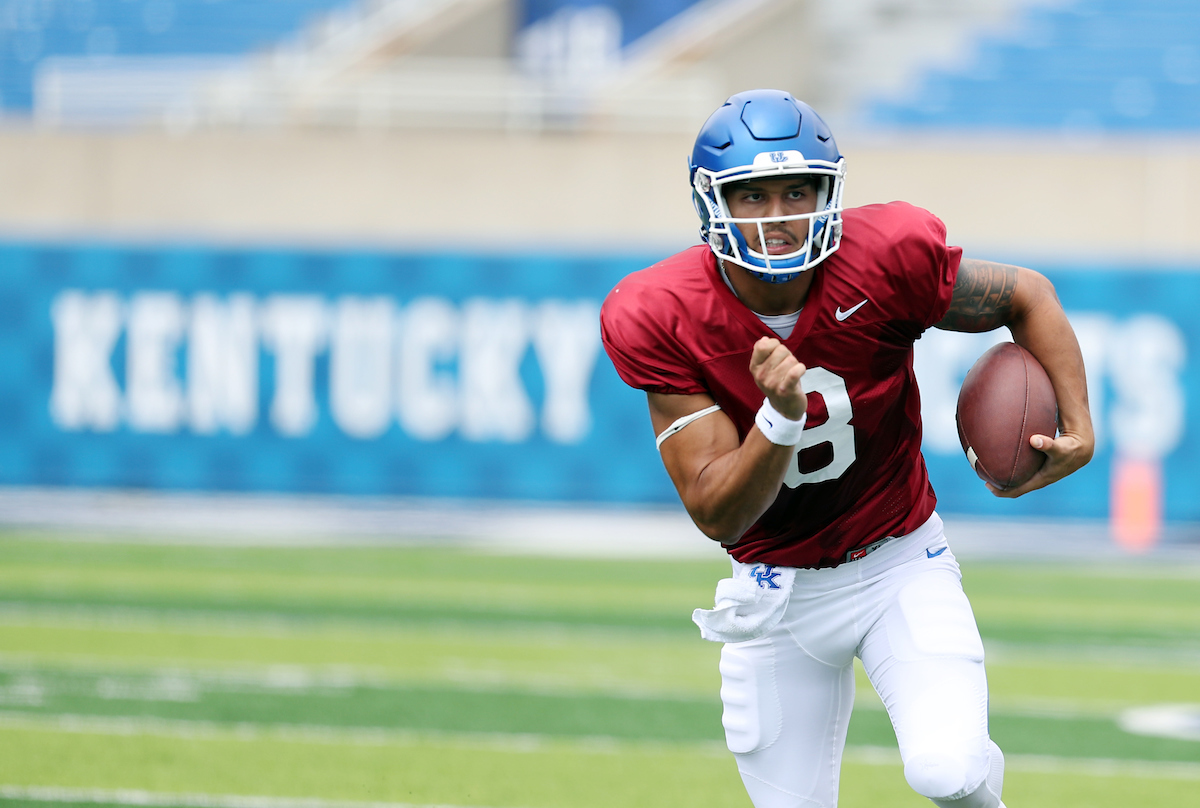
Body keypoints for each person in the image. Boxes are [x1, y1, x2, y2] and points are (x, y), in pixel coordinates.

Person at [599, 89, 1093, 808]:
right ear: (714, 205)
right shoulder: (661, 313)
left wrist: (1078, 428)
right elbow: (717, 513)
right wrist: (778, 419)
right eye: (753, 195)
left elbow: (1028, 295)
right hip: (774, 590)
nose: (779, 217)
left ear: (828, 190)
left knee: (949, 770)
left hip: (899, 559)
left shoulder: (889, 255)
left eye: (798, 191)